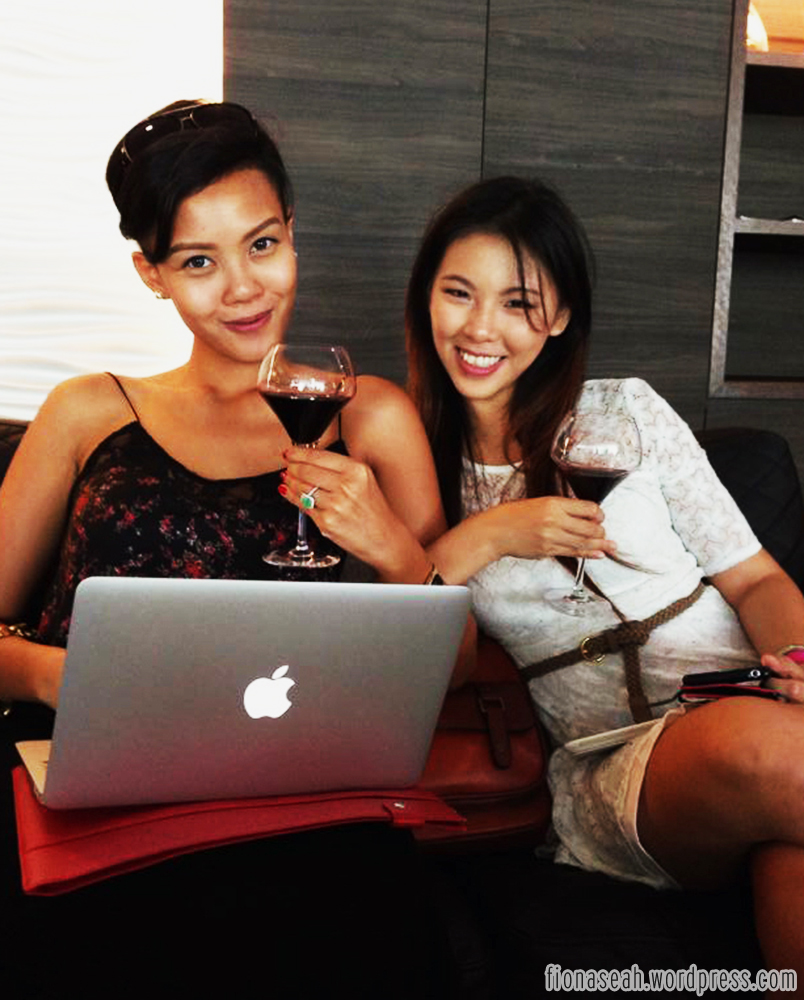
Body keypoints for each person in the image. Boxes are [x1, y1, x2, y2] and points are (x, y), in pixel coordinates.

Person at [0, 100, 455, 998]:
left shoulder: (370, 415)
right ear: (151, 273)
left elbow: (456, 662)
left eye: (262, 244)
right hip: (87, 783)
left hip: (286, 792)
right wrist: (56, 675)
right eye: (198, 262)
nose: (244, 288)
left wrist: (394, 548)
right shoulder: (88, 411)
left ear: (293, 232)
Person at [356, 174, 804, 982]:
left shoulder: (626, 412)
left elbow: (757, 580)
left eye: (518, 303)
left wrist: (801, 664)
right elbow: (409, 644)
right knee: (763, 747)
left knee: (790, 852)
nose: (480, 327)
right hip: (618, 766)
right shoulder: (413, 461)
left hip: (747, 696)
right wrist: (492, 533)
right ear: (426, 298)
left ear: (560, 316)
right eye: (458, 293)